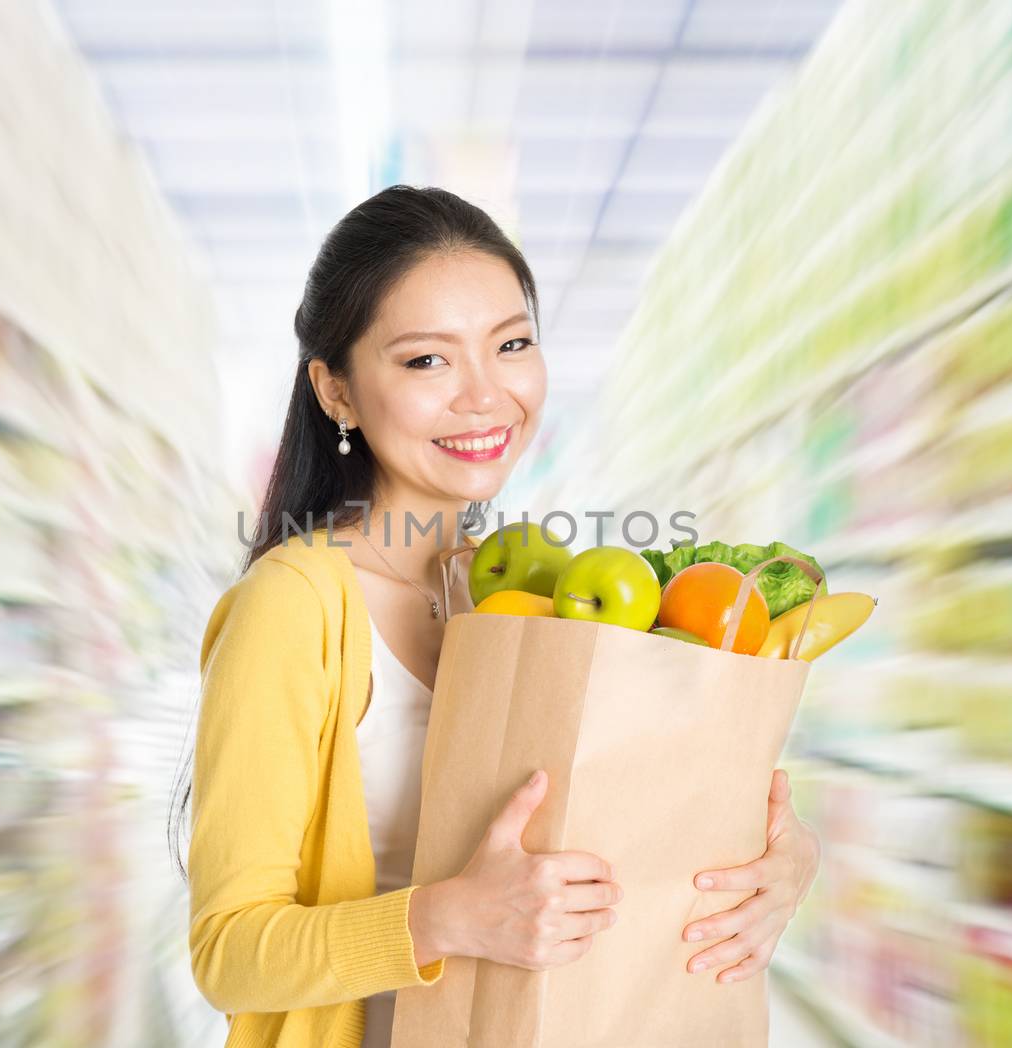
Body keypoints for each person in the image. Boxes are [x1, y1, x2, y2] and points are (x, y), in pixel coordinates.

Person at [172, 185, 821, 1048]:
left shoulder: (524, 592)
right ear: (336, 392)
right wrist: (446, 920)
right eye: (426, 361)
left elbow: (613, 818)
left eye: (511, 345)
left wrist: (772, 868)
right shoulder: (293, 608)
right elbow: (228, 954)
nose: (485, 396)